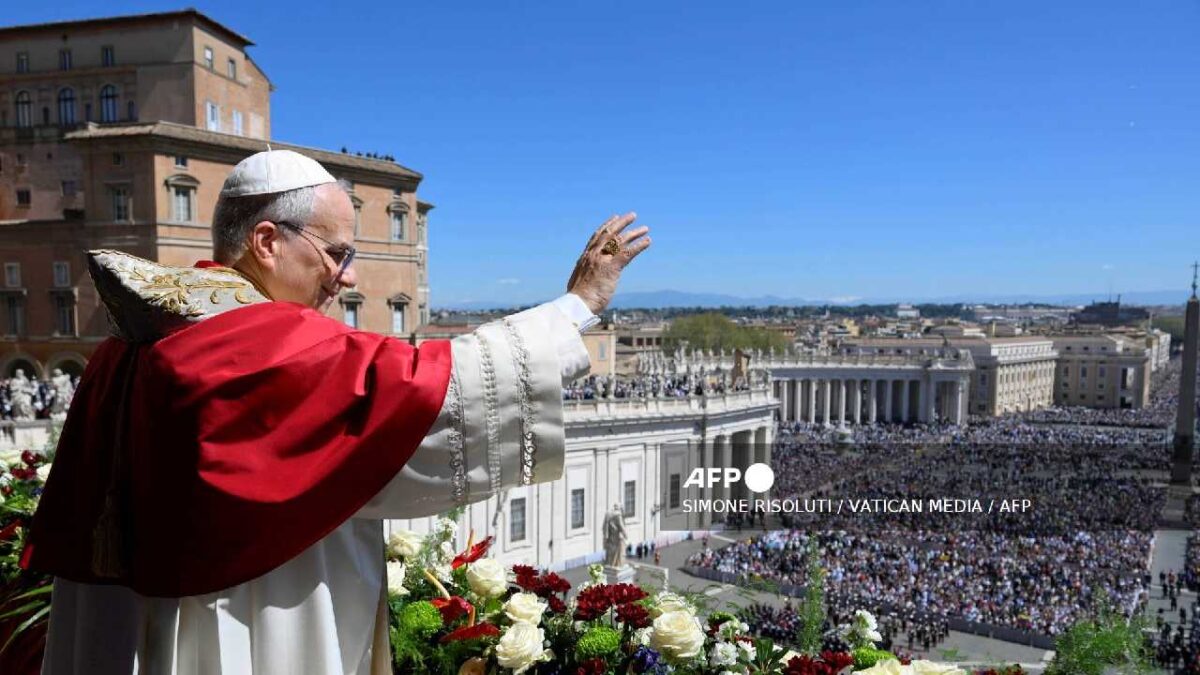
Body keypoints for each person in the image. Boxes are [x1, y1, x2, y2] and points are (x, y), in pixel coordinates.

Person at [26, 149, 651, 674]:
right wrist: (577, 306)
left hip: (133, 626)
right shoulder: (253, 340)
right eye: (336, 254)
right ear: (267, 242)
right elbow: (425, 390)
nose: (345, 279)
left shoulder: (138, 335)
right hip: (248, 617)